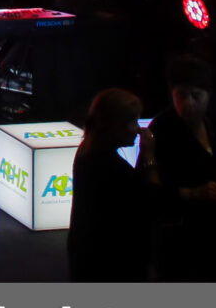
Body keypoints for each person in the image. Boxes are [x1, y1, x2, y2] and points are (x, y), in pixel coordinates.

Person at [151, 56, 216, 280]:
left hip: (215, 230)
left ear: (209, 95)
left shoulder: (214, 121)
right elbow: (151, 192)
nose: (188, 103)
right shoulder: (162, 129)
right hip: (179, 238)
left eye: (196, 96)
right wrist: (194, 193)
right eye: (181, 96)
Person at [67, 88, 158, 281]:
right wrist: (149, 158)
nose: (138, 129)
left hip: (87, 254)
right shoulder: (113, 167)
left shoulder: (86, 152)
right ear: (116, 126)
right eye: (133, 122)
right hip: (114, 262)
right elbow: (150, 201)